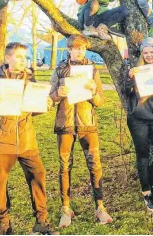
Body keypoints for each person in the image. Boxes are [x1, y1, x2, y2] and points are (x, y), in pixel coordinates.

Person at [0, 42, 58, 235]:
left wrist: (45, 105)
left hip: (26, 141)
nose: (24, 61)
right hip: (1, 142)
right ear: (8, 58)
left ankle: (41, 222)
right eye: (19, 57)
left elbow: (32, 111)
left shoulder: (30, 82)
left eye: (25, 57)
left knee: (38, 175)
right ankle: (4, 225)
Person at [49, 35, 113, 227]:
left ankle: (100, 208)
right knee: (64, 167)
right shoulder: (60, 70)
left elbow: (101, 101)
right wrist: (57, 95)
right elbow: (49, 98)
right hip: (65, 125)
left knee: (95, 166)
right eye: (75, 48)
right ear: (69, 50)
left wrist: (93, 91)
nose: (79, 51)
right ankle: (66, 209)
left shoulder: (92, 70)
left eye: (82, 49)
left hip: (88, 125)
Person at [124, 38, 153, 211]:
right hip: (138, 118)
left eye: (152, 52)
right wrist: (130, 78)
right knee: (143, 155)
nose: (149, 55)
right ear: (142, 55)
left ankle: (149, 182)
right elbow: (126, 92)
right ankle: (147, 192)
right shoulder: (136, 71)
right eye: (146, 52)